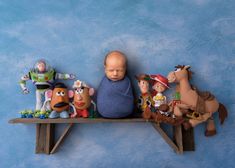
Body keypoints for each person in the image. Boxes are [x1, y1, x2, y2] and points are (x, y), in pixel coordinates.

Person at [97, 51, 134, 118]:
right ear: (105, 69)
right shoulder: (104, 82)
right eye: (111, 70)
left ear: (125, 69)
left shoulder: (126, 82)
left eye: (119, 70)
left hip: (126, 112)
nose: (115, 74)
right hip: (104, 112)